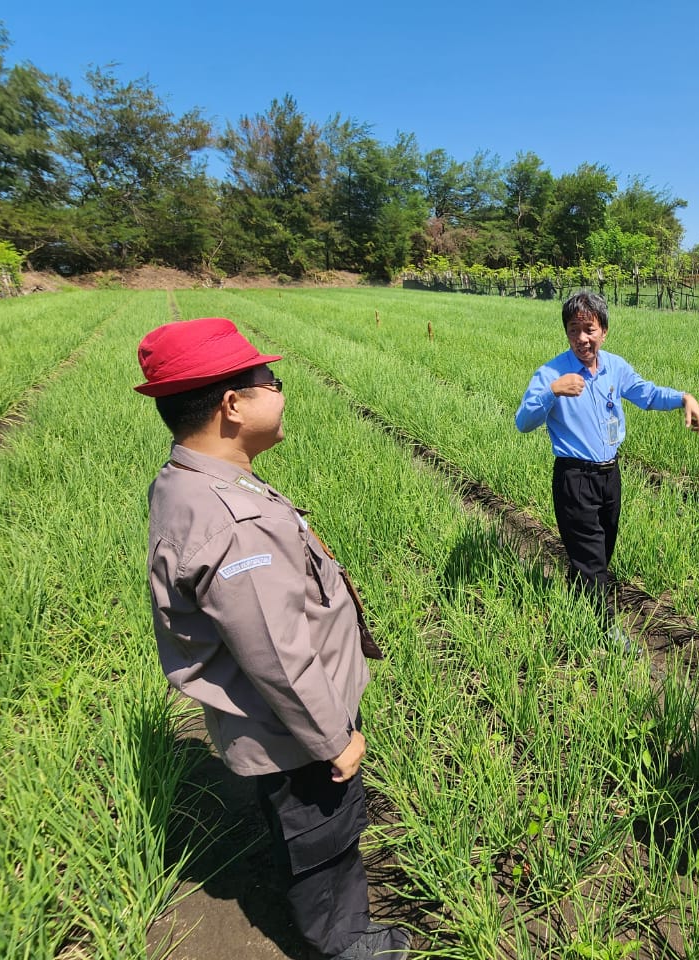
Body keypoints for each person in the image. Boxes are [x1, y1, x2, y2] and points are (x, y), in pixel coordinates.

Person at [136, 317, 408, 960]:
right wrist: (332, 738)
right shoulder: (233, 522)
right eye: (271, 381)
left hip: (279, 716)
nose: (281, 392)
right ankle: (342, 941)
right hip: (293, 725)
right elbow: (278, 655)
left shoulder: (193, 480)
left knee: (304, 820)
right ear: (232, 405)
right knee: (322, 831)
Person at [515, 291, 699, 635]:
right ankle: (603, 631)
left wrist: (683, 398)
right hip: (575, 478)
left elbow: (646, 394)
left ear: (603, 330)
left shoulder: (615, 367)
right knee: (591, 560)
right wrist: (551, 392)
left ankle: (577, 610)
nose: (581, 339)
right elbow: (522, 423)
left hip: (609, 476)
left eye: (589, 329)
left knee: (601, 551)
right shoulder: (550, 374)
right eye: (574, 330)